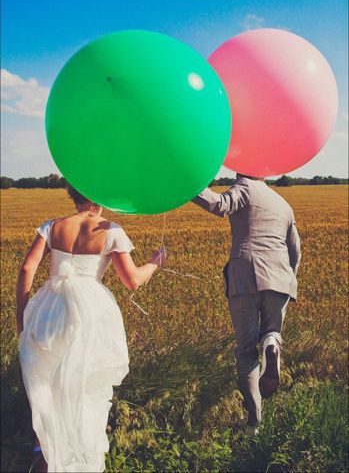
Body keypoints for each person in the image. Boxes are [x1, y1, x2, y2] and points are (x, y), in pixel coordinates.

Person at [17, 184, 166, 473]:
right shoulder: (111, 231)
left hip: (48, 314)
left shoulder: (52, 227)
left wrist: (23, 321)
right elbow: (132, 280)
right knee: (85, 390)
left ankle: (45, 457)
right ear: (102, 194)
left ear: (73, 194)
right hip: (89, 317)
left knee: (47, 390)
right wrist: (154, 263)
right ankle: (79, 461)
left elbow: (26, 270)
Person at [192, 174, 301, 436]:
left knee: (245, 352)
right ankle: (272, 344)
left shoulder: (246, 187)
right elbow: (296, 250)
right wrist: (288, 279)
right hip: (280, 279)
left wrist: (189, 186)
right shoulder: (283, 203)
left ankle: (254, 421)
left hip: (246, 278)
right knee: (271, 332)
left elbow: (220, 205)